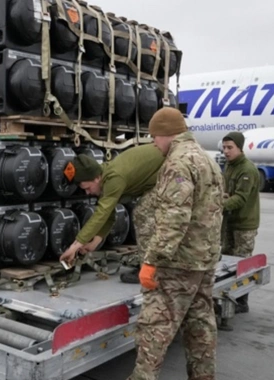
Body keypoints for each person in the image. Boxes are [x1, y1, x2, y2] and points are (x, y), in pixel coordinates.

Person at [127, 107, 224, 380]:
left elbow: (174, 217)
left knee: (155, 324)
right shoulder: (208, 160)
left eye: (154, 137)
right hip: (204, 259)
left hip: (178, 262)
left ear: (166, 134)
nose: (154, 144)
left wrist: (152, 259)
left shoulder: (178, 163)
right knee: (201, 321)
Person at [59, 144, 165, 284]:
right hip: (160, 176)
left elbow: (101, 213)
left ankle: (151, 270)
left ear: (96, 178)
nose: (88, 193)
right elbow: (109, 215)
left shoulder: (114, 178)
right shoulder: (106, 176)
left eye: (87, 188)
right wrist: (93, 244)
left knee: (143, 214)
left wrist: (74, 246)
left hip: (171, 172)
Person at [221, 131, 260, 315]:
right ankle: (228, 297)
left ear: (239, 148)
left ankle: (242, 301)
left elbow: (240, 198)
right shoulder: (230, 166)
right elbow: (228, 191)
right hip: (230, 221)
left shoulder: (247, 169)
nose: (226, 151)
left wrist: (217, 205)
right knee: (227, 261)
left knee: (242, 263)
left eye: (230, 148)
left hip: (244, 224)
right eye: (224, 147)